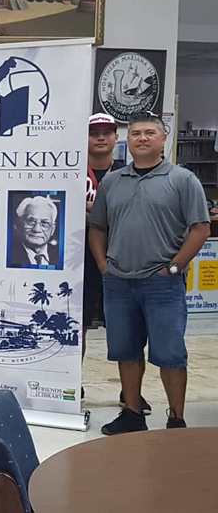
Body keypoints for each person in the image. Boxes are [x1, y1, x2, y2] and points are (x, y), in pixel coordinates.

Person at [88, 112, 210, 435]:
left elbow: (200, 228)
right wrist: (103, 265)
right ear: (128, 140)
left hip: (163, 284)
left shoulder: (182, 180)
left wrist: (175, 266)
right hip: (118, 282)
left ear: (163, 138)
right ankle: (132, 413)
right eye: (136, 133)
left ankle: (176, 419)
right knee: (125, 350)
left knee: (170, 353)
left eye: (149, 133)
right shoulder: (113, 182)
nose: (142, 138)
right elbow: (97, 227)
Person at [84, 113, 124, 330]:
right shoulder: (71, 171)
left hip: (117, 254)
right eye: (93, 134)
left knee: (121, 326)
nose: (100, 138)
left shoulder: (127, 172)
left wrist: (94, 209)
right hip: (79, 258)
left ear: (116, 137)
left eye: (106, 133)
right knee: (78, 325)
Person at [8, 195, 60, 268]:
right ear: (18, 225)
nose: (36, 229)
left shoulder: (61, 255)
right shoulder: (9, 253)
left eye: (44, 223)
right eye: (31, 222)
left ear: (53, 229)